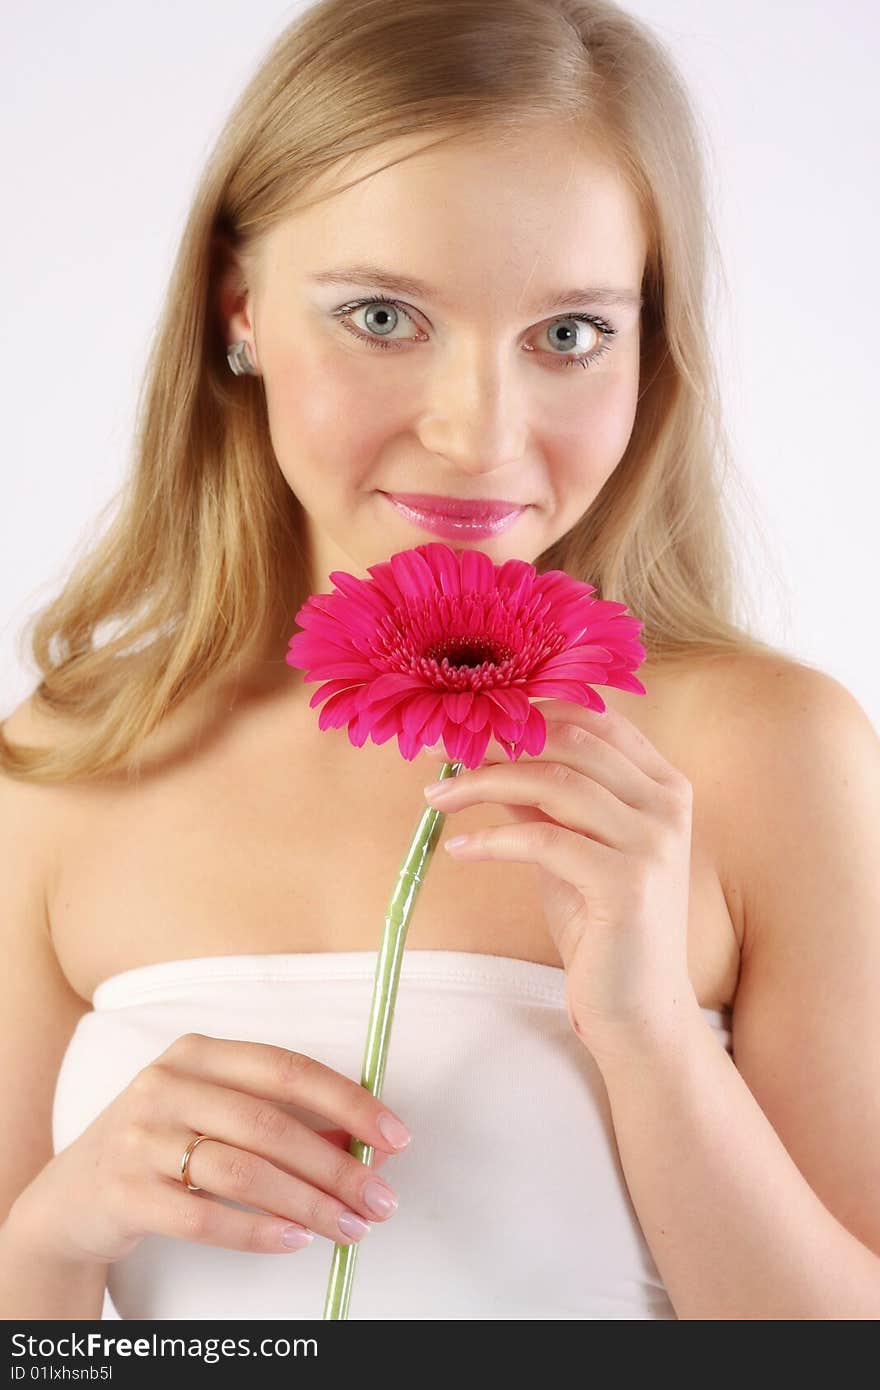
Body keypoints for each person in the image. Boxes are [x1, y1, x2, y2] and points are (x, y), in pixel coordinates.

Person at [1, 0, 878, 1322]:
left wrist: (645, 1032)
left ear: (650, 340)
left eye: (569, 333)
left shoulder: (772, 752)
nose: (479, 433)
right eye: (383, 316)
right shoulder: (64, 764)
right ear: (234, 309)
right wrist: (54, 1239)